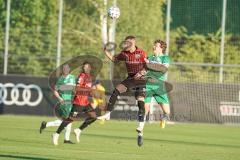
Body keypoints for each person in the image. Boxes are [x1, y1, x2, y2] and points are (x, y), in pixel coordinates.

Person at [98, 35, 147, 147]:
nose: (126, 44)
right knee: (116, 90)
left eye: (129, 43)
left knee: (140, 101)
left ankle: (140, 127)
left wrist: (142, 72)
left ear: (134, 43)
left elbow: (147, 66)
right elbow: (114, 59)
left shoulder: (141, 53)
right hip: (130, 79)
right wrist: (105, 51)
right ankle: (107, 113)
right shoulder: (124, 53)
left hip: (141, 80)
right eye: (126, 42)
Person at [52, 62, 97, 145]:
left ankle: (78, 130)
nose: (85, 68)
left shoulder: (90, 77)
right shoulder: (82, 76)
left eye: (87, 67)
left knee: (94, 117)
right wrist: (88, 90)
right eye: (84, 67)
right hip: (78, 102)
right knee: (69, 119)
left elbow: (88, 89)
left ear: (90, 68)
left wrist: (92, 92)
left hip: (86, 102)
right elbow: (78, 88)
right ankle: (56, 134)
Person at [139, 39, 171, 146]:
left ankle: (163, 119)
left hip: (159, 85)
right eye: (154, 45)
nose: (154, 47)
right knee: (145, 110)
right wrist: (140, 73)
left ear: (161, 48)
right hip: (148, 84)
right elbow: (144, 70)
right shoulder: (149, 58)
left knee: (167, 112)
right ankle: (140, 131)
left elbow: (163, 69)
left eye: (156, 46)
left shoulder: (165, 58)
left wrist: (149, 65)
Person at [40, 64, 76, 144]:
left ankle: (66, 139)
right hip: (63, 101)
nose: (66, 70)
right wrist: (60, 98)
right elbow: (55, 91)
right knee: (68, 120)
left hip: (69, 101)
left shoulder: (72, 77)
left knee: (69, 120)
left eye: (67, 68)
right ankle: (48, 125)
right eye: (64, 69)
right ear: (63, 70)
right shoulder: (60, 79)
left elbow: (73, 89)